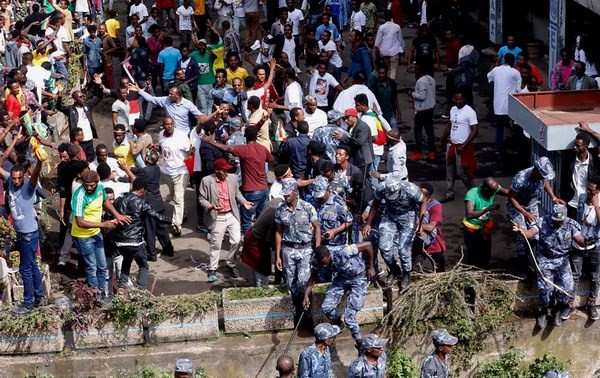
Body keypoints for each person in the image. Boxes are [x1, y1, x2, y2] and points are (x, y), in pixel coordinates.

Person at [516, 204, 585, 328]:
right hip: (545, 259)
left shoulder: (571, 224)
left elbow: (579, 239)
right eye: (556, 220)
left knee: (568, 287)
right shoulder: (542, 222)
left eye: (561, 220)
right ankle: (543, 310)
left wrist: (587, 241)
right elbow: (530, 234)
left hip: (562, 260)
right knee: (545, 288)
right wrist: (522, 232)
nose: (558, 223)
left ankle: (557, 310)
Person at [201, 126, 273, 233]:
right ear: (256, 136)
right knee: (260, 220)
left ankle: (247, 245)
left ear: (245, 136)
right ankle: (258, 244)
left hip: (251, 191)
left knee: (246, 222)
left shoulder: (244, 149)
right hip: (264, 189)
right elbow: (271, 159)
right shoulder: (262, 149)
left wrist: (211, 141)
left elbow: (227, 148)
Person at [304, 241, 375, 348]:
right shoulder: (316, 261)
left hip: (358, 278)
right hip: (341, 278)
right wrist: (306, 295)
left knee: (349, 318)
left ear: (329, 255)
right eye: (321, 264)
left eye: (325, 263)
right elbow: (313, 277)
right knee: (326, 308)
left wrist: (371, 267)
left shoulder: (342, 252)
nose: (324, 266)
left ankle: (360, 343)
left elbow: (368, 245)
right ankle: (338, 322)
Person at [3, 134, 44, 314]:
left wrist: (40, 162)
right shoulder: (9, 181)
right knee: (33, 266)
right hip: (22, 233)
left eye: (19, 178)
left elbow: (34, 176)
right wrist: (11, 144)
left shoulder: (28, 186)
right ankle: (39, 295)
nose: (17, 181)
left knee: (25, 268)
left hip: (29, 234)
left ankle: (28, 303)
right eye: (15, 178)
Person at [71, 170, 130, 296]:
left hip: (95, 233)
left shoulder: (100, 189)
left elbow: (105, 200)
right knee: (92, 268)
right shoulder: (79, 196)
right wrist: (103, 224)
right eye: (86, 184)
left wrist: (117, 215)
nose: (88, 188)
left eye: (91, 185)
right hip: (83, 236)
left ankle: (102, 294)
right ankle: (95, 297)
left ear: (97, 182)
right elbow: (80, 222)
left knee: (102, 267)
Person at [364, 172, 426, 289]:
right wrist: (368, 223)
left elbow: (423, 202)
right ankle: (393, 269)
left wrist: (420, 223)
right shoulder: (382, 188)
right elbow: (375, 204)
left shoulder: (411, 189)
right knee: (384, 247)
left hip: (408, 216)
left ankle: (407, 274)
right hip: (390, 216)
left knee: (403, 249)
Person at [113, 178, 173, 290]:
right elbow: (157, 216)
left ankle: (122, 286)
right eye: (145, 192)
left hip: (120, 241)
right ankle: (139, 291)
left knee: (126, 261)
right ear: (141, 190)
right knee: (143, 265)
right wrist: (172, 221)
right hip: (135, 242)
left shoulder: (118, 200)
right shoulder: (141, 203)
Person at [199, 158, 252, 283]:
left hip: (231, 214)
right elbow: (201, 199)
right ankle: (213, 268)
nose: (226, 173)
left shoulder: (232, 178)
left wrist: (244, 202)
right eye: (224, 170)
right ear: (217, 170)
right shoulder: (206, 181)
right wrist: (210, 206)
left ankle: (231, 263)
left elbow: (237, 193)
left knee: (236, 240)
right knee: (216, 244)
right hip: (217, 217)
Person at [507, 157, 565, 270]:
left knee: (536, 235)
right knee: (523, 236)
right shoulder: (521, 178)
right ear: (536, 171)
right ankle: (522, 264)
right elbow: (511, 198)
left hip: (532, 205)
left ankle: (529, 256)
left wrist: (553, 198)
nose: (543, 178)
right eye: (542, 175)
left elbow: (545, 182)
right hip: (518, 207)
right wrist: (524, 213)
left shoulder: (542, 177)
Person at [275, 178, 321, 315]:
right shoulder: (280, 210)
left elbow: (317, 229)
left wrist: (317, 250)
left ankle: (306, 309)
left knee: (304, 282)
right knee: (290, 283)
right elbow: (278, 232)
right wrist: (278, 255)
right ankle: (296, 309)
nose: (285, 197)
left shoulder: (307, 208)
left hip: (305, 249)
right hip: (288, 249)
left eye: (287, 194)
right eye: (284, 194)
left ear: (295, 192)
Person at [129, 82, 220, 134]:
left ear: (178, 96)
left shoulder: (188, 104)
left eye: (171, 94)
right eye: (169, 93)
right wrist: (139, 90)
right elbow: (152, 99)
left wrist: (215, 113)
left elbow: (202, 118)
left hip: (184, 133)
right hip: (171, 132)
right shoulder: (166, 100)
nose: (169, 95)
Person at [438, 91, 478, 203]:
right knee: (449, 170)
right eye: (456, 99)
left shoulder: (470, 112)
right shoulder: (453, 109)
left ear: (464, 99)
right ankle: (449, 193)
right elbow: (450, 125)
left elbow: (475, 130)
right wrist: (442, 140)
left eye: (460, 99)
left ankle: (474, 192)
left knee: (462, 172)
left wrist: (464, 145)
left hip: (462, 147)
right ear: (453, 99)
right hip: (451, 144)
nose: (458, 101)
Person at [570, 176, 600, 321]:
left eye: (592, 190)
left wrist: (596, 206)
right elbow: (576, 219)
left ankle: (592, 304)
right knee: (575, 275)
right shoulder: (582, 198)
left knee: (595, 276)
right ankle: (569, 305)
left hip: (595, 245)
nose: (589, 192)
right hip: (579, 243)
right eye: (588, 189)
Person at [156, 117, 191, 237]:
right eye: (166, 124)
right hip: (167, 172)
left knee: (178, 198)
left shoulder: (181, 136)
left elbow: (189, 152)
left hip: (181, 172)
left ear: (174, 124)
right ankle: (183, 213)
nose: (169, 126)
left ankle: (177, 225)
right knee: (174, 197)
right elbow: (161, 149)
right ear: (163, 125)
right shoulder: (161, 135)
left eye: (171, 124)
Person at [463, 177, 508, 269]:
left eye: (495, 192)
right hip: (472, 229)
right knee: (473, 253)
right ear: (485, 189)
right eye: (492, 192)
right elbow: (470, 214)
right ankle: (472, 272)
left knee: (486, 252)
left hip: (485, 227)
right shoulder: (472, 194)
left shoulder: (493, 189)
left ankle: (484, 270)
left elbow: (507, 192)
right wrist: (488, 208)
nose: (494, 194)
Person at [56, 81, 102, 162]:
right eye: (80, 97)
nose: (83, 98)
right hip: (79, 142)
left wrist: (99, 85)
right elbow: (59, 107)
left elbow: (99, 97)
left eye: (83, 96)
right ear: (75, 99)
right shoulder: (70, 109)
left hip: (89, 138)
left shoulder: (88, 105)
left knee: (91, 160)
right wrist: (60, 94)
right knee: (80, 160)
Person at [242, 198, 283, 286]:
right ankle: (261, 288)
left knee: (256, 266)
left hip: (253, 235)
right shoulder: (276, 218)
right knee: (262, 267)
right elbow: (269, 241)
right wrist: (278, 251)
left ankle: (254, 286)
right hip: (256, 240)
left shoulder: (276, 203)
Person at [487, 53, 521, 151]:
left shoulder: (496, 70)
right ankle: (515, 147)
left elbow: (489, 77)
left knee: (499, 128)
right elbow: (519, 89)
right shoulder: (515, 72)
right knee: (514, 127)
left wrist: (495, 63)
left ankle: (499, 147)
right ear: (513, 61)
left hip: (498, 106)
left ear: (503, 60)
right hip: (511, 105)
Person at [413, 183, 446, 273]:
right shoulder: (414, 203)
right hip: (418, 243)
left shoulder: (436, 206)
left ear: (428, 196)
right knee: (415, 269)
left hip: (433, 243)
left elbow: (431, 227)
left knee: (439, 269)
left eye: (421, 194)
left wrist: (414, 225)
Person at [312, 176, 353, 247]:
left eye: (321, 195)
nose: (319, 198)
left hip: (335, 244)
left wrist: (334, 231)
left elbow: (349, 221)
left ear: (328, 190)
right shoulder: (314, 202)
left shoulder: (338, 203)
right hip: (317, 243)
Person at [333, 108, 374, 177]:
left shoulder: (362, 127)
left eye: (347, 118)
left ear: (354, 116)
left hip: (363, 159)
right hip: (355, 159)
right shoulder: (350, 126)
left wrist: (343, 137)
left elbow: (359, 141)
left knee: (362, 180)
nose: (346, 120)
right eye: (344, 118)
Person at [408, 64, 436, 161]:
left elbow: (422, 96)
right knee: (430, 131)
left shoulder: (420, 81)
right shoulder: (431, 79)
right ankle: (432, 151)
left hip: (421, 110)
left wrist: (412, 94)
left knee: (418, 131)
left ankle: (419, 152)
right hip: (430, 108)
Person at [375, 11, 404, 81]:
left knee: (386, 69)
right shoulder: (397, 27)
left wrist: (378, 53)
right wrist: (403, 48)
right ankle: (391, 83)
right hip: (394, 51)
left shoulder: (382, 27)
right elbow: (400, 39)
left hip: (384, 51)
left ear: (384, 17)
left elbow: (378, 42)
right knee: (393, 69)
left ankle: (387, 84)